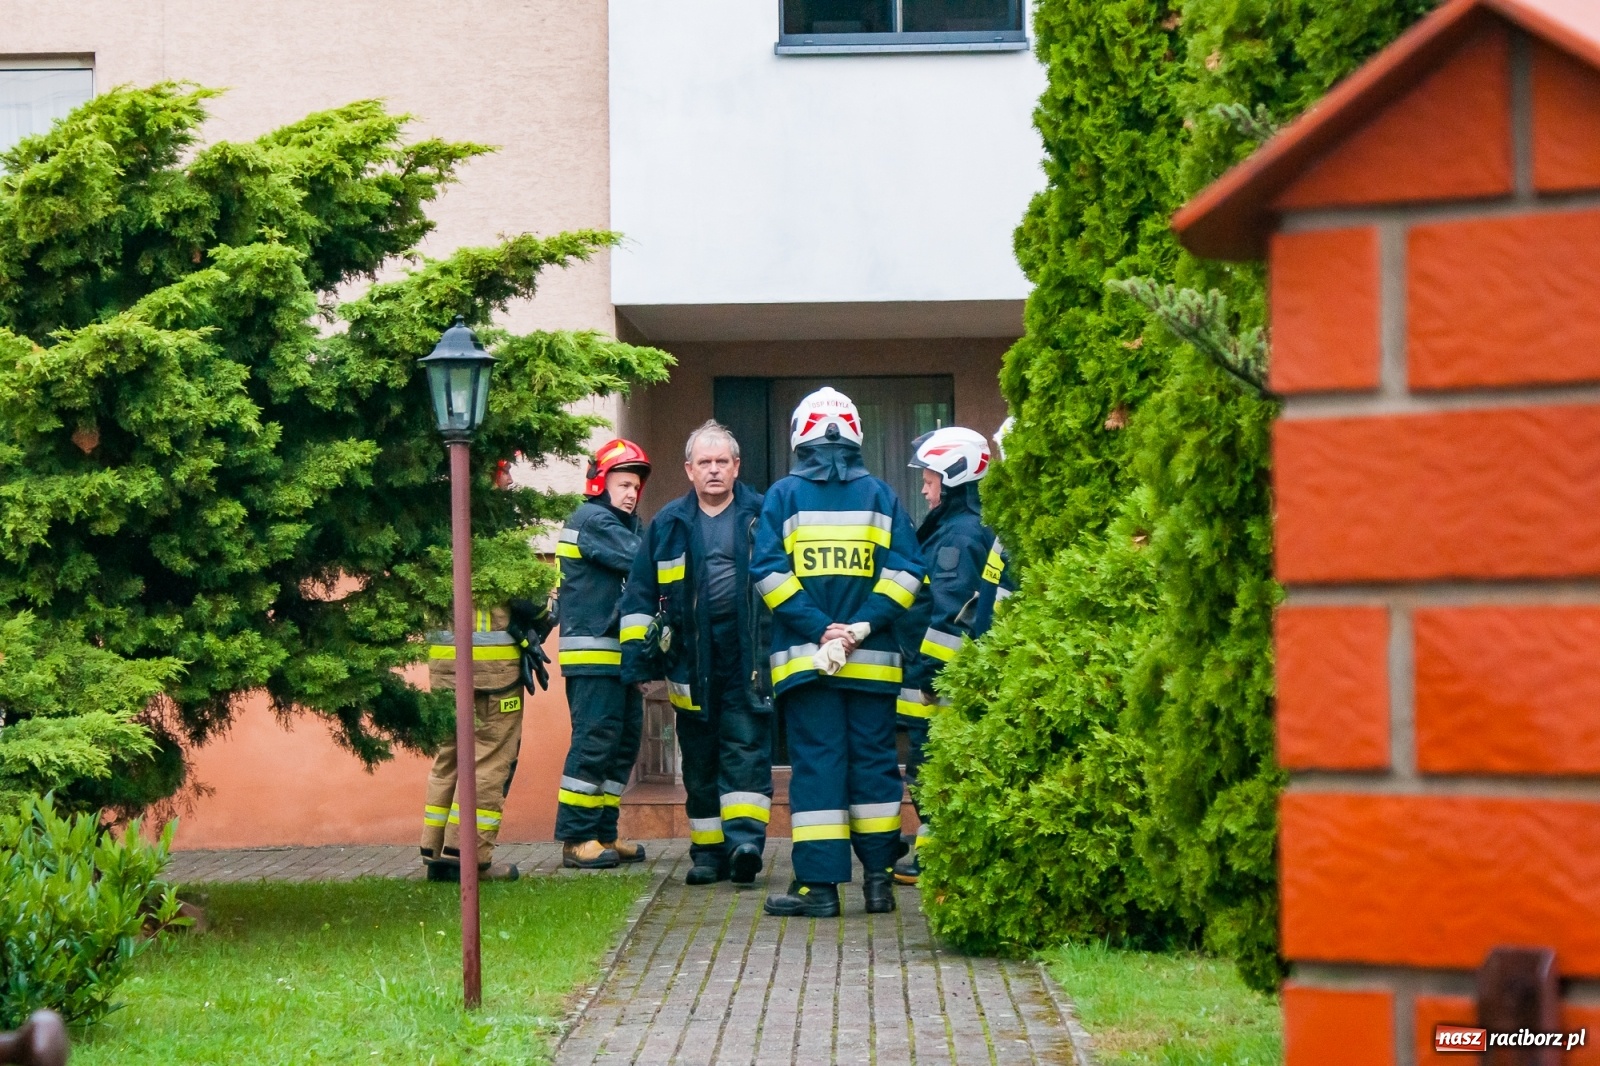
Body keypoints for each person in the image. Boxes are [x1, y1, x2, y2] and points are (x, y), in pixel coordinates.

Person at [752, 387, 925, 917]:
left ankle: (820, 890)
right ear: (854, 433)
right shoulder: (882, 496)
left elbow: (768, 575)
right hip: (872, 664)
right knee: (875, 768)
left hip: (809, 664)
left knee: (819, 769)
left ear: (800, 434)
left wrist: (821, 628)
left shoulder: (782, 496)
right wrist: (861, 627)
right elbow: (907, 574)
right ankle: (878, 884)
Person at [620, 421, 773, 887]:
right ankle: (707, 854)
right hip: (690, 661)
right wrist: (641, 665)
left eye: (721, 462)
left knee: (746, 749)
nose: (713, 470)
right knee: (700, 757)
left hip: (747, 658)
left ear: (736, 467)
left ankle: (744, 844)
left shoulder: (762, 516)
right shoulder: (669, 524)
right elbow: (640, 598)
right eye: (704, 463)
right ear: (689, 470)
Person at [892, 426, 998, 885]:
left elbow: (951, 616)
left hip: (942, 686)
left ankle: (933, 858)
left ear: (954, 475)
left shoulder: (959, 537)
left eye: (930, 476)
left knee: (931, 764)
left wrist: (931, 676)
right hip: (936, 677)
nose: (923, 486)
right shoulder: (953, 529)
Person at [553, 438, 652, 869]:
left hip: (619, 658)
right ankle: (576, 839)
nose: (631, 493)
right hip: (594, 655)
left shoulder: (626, 525)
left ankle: (604, 833)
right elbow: (642, 562)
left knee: (621, 747)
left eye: (635, 486)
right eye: (623, 483)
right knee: (593, 744)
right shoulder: (593, 519)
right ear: (600, 482)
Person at [419, 595, 554, 883]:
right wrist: (550, 608)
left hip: (445, 670)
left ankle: (437, 855)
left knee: (449, 759)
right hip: (492, 675)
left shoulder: (435, 548)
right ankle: (471, 858)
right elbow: (531, 602)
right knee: (490, 762)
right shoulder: (498, 549)